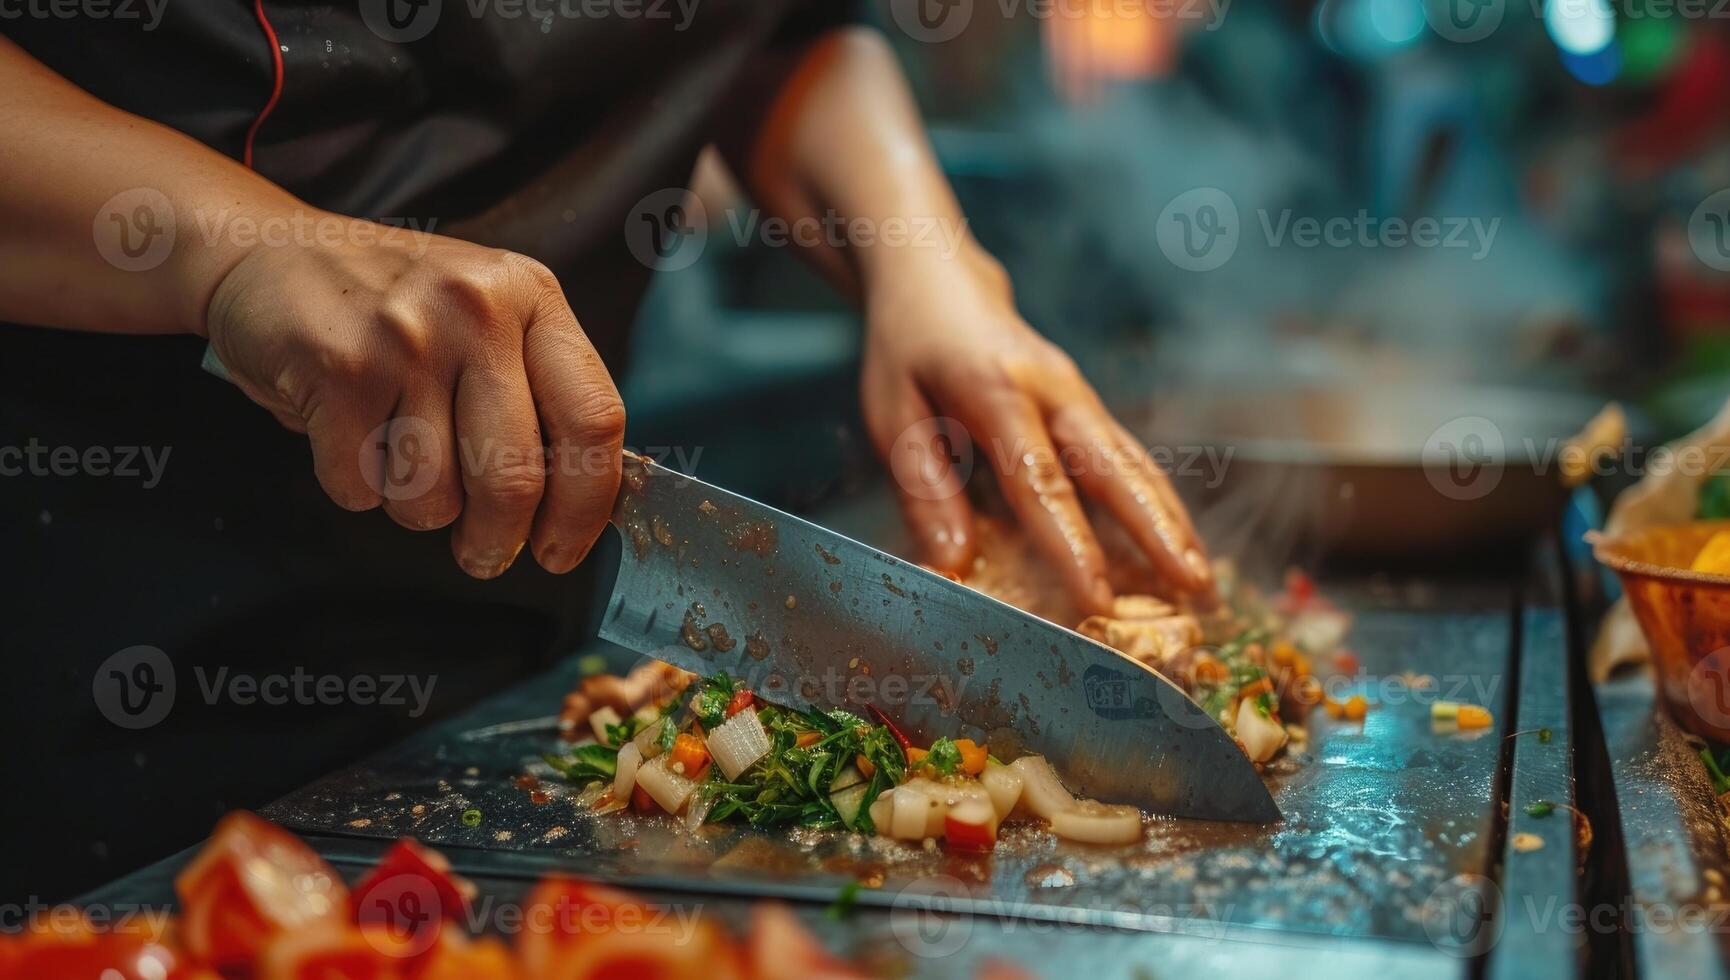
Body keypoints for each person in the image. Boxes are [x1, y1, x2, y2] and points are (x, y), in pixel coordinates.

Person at [0, 3, 1211, 899]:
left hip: (516, 644)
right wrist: (228, 247)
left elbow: (771, 34)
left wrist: (923, 260)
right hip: (103, 628)